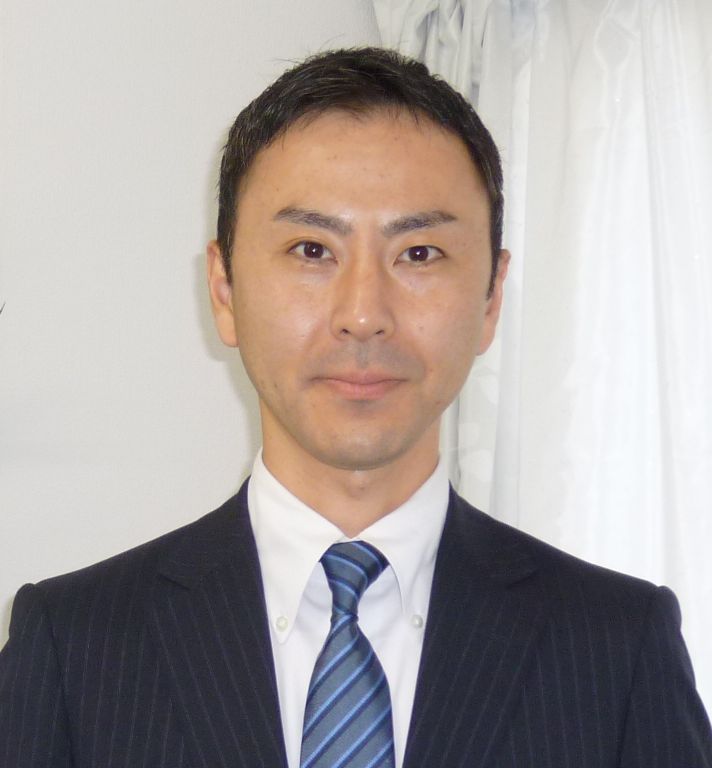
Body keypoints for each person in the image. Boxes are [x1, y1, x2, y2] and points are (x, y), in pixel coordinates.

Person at [1, 47, 710, 768]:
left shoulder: (618, 649)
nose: (364, 315)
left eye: (420, 254)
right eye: (312, 250)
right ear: (224, 290)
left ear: (492, 298)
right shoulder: (73, 646)